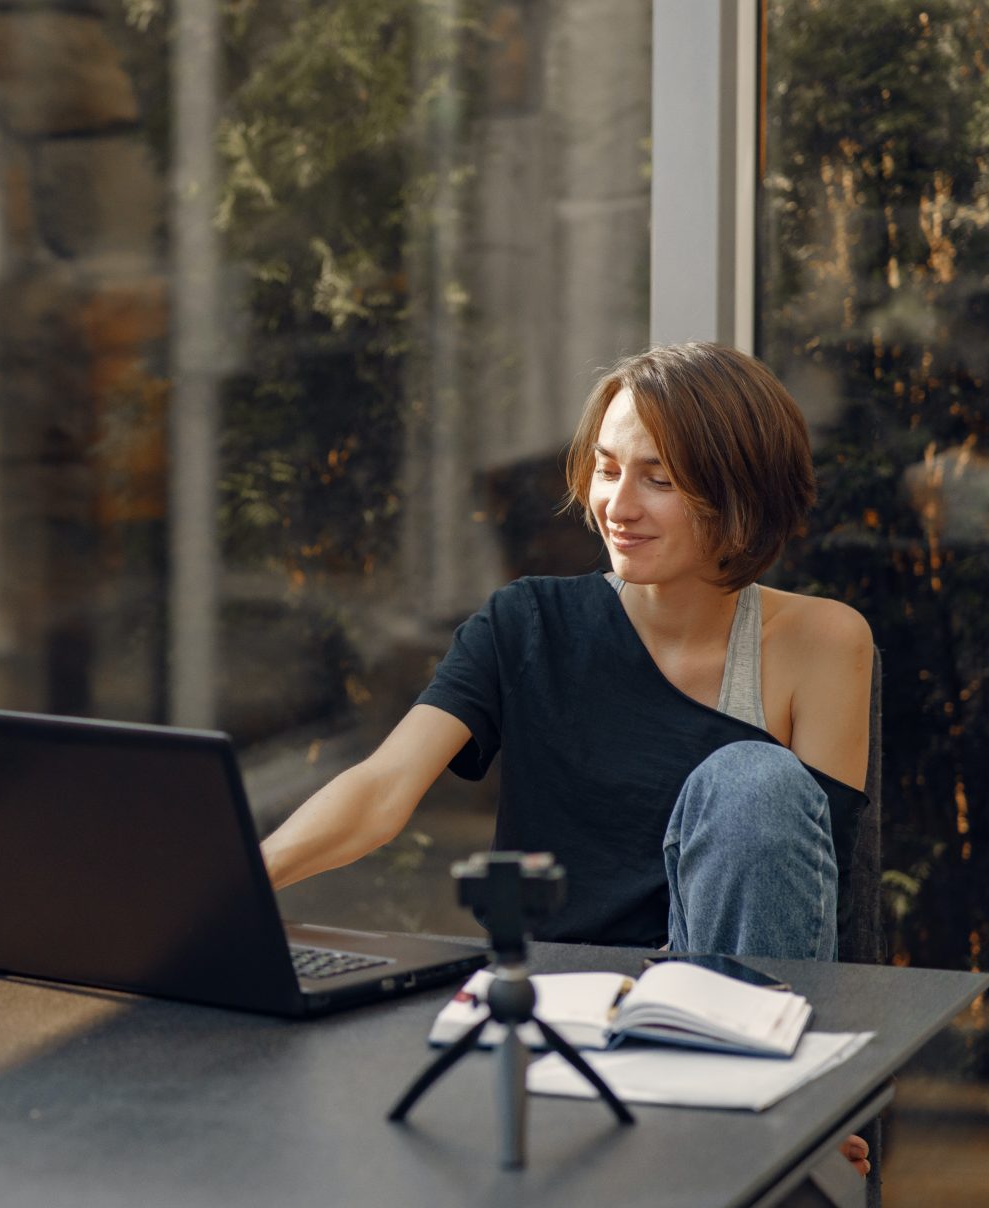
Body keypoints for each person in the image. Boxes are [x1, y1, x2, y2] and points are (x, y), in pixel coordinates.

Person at [261, 341, 877, 1172]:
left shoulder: (822, 641)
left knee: (755, 781)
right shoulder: (526, 625)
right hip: (559, 1020)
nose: (617, 504)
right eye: (606, 468)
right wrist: (225, 894)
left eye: (658, 479)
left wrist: (824, 1090)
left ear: (738, 494)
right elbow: (380, 789)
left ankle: (764, 1120)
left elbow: (812, 895)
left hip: (716, 1033)